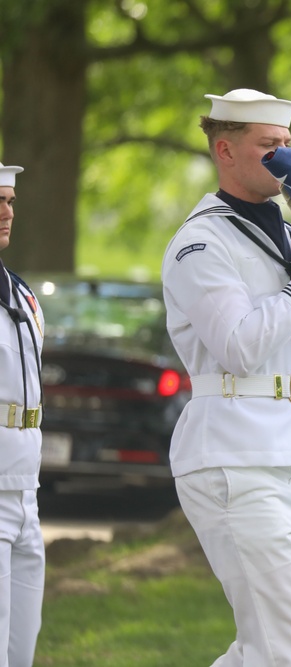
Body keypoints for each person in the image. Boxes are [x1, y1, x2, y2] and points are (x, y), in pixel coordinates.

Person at [161, 89, 291, 666]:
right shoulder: (201, 241)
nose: (284, 157)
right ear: (225, 150)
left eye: (287, 144)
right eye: (268, 145)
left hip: (286, 453)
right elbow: (239, 348)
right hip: (233, 451)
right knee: (280, 650)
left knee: (280, 646)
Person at [0, 160, 45, 666]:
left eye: (10, 201)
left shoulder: (22, 291)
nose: (7, 211)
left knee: (22, 648)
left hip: (25, 487)